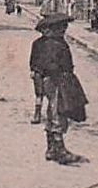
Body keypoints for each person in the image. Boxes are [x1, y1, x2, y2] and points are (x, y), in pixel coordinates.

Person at [29, 11, 87, 165]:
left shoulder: (38, 43)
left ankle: (51, 148)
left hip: (46, 80)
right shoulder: (57, 44)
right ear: (52, 28)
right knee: (58, 112)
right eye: (62, 27)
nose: (64, 29)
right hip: (57, 80)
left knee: (52, 111)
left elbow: (33, 64)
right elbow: (55, 65)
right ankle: (59, 150)